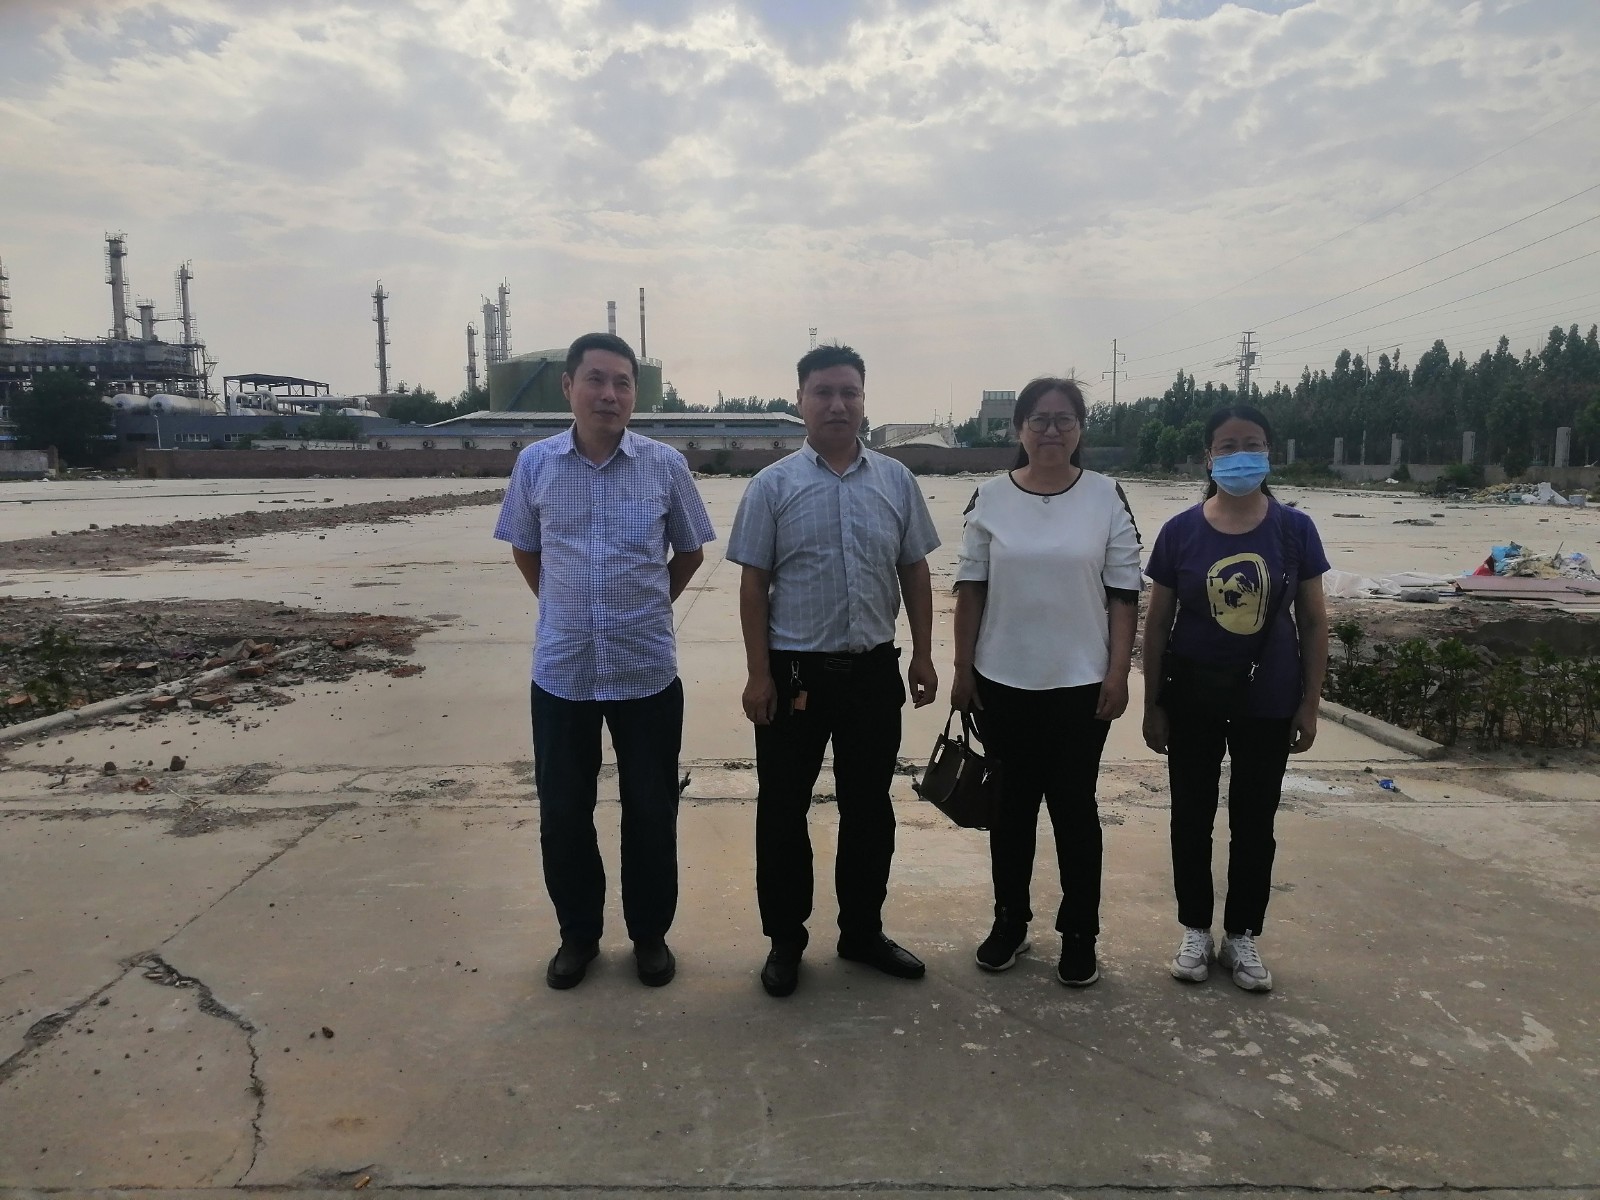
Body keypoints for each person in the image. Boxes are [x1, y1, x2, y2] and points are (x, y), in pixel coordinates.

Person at [493, 331, 715, 991]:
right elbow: (524, 546)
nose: (609, 394)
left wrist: (648, 606)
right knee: (564, 812)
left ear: (634, 395)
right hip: (563, 672)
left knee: (651, 811)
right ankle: (578, 935)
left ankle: (649, 935)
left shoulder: (665, 466)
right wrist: (562, 607)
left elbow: (692, 550)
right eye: (596, 379)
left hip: (646, 671)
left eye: (622, 382)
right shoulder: (535, 464)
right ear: (568, 386)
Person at [727, 343, 941, 998]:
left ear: (864, 399)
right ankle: (785, 941)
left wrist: (924, 652)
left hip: (873, 672)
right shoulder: (773, 486)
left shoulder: (896, 481)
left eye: (849, 392)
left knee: (869, 809)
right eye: (823, 392)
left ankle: (862, 932)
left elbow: (915, 569)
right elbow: (753, 585)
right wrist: (758, 674)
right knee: (783, 811)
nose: (837, 404)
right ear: (800, 401)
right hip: (794, 676)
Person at [950, 378, 1142, 987]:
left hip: (1081, 686)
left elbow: (1124, 594)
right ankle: (1010, 921)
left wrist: (1118, 672)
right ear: (1019, 429)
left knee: (1074, 812)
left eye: (1064, 419)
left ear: (1081, 428)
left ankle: (1080, 934)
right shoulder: (989, 498)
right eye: (1039, 419)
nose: (1051, 430)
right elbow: (971, 590)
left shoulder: (1107, 497)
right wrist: (962, 670)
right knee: (1010, 813)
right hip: (1002, 681)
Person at [1141, 405, 1330, 993]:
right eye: (1228, 445)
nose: (1240, 454)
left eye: (1253, 443)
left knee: (1255, 821)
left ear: (1270, 453)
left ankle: (1242, 935)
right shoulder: (1180, 531)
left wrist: (1310, 703)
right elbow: (1157, 623)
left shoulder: (1295, 530)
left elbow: (1314, 622)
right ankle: (1195, 929)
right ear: (1209, 457)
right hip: (1193, 696)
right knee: (1190, 817)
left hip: (1268, 699)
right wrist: (1152, 704)